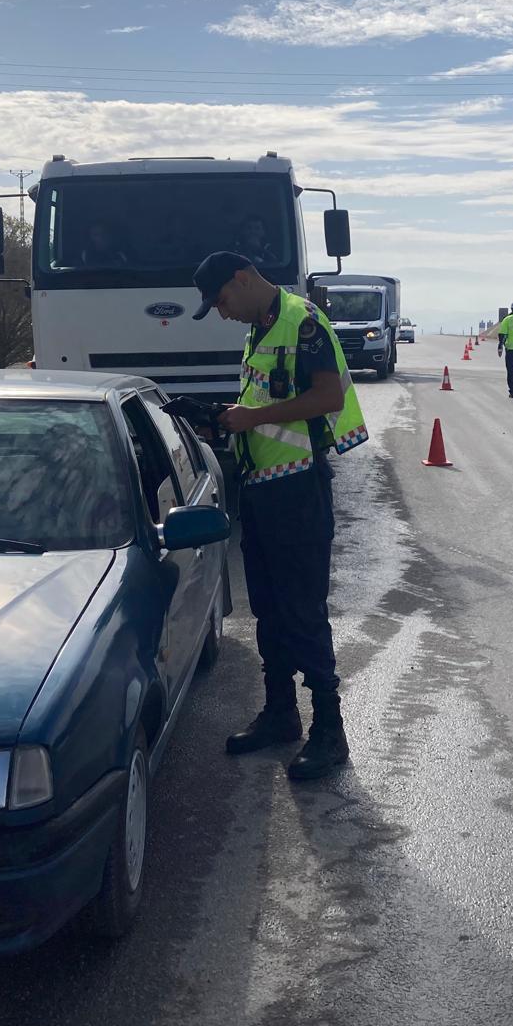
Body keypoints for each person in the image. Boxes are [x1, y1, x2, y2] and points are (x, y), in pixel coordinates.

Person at [191, 251, 369, 780]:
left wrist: (254, 418)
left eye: (221, 301)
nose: (221, 313)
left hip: (297, 491)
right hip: (263, 489)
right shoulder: (262, 327)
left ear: (242, 280)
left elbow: (327, 394)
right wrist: (229, 422)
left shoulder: (303, 322)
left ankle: (329, 731)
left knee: (303, 611)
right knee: (267, 609)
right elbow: (265, 398)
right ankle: (280, 712)